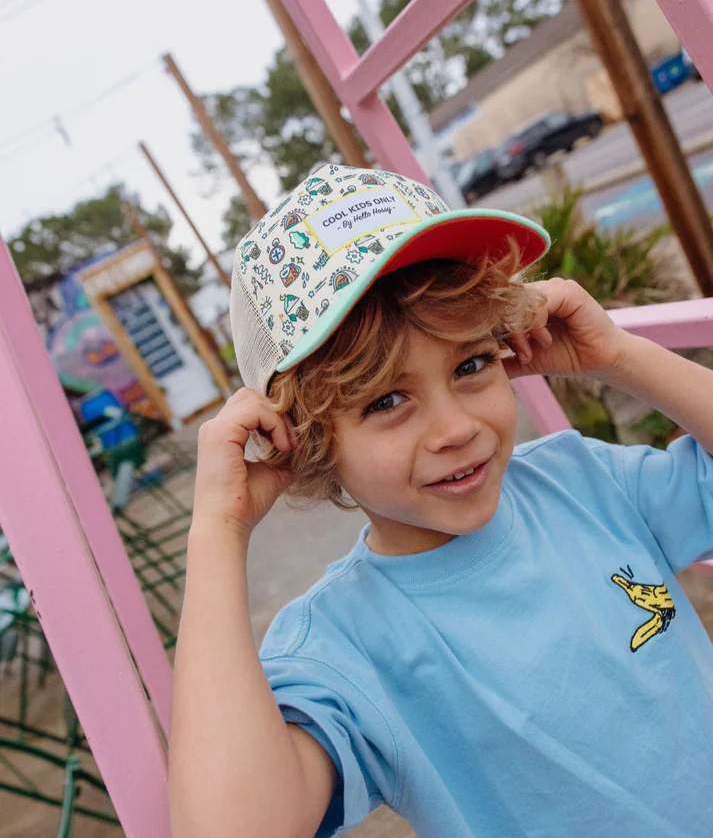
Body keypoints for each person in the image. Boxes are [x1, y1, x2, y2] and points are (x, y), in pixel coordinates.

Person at [169, 164, 713, 838]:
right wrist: (217, 529)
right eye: (386, 401)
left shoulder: (584, 479)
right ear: (305, 438)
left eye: (470, 364)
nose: (456, 427)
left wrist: (620, 355)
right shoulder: (344, 643)